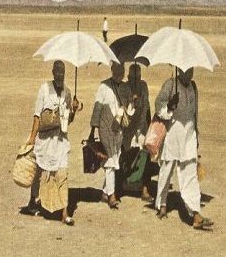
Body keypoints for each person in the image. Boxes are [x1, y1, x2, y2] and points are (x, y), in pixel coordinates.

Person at [154, 68, 212, 230]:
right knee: (166, 171)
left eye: (192, 70)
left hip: (189, 138)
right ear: (179, 69)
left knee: (190, 175)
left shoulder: (193, 86)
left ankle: (195, 214)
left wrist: (196, 136)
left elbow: (195, 114)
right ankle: (162, 204)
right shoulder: (170, 85)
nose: (189, 74)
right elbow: (158, 106)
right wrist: (170, 107)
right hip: (172, 137)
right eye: (186, 70)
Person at [25, 61, 80, 225]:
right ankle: (32, 200)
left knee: (62, 175)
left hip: (61, 141)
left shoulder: (67, 92)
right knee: (39, 173)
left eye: (62, 72)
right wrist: (32, 140)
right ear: (52, 72)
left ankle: (65, 213)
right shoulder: (44, 89)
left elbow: (68, 120)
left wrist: (74, 109)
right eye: (57, 71)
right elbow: (37, 116)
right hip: (45, 141)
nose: (60, 74)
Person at [89, 62, 133, 209]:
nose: (120, 72)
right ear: (112, 69)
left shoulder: (126, 88)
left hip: (119, 129)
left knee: (114, 158)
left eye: (122, 69)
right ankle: (112, 195)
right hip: (106, 128)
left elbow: (130, 108)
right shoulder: (104, 86)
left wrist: (132, 102)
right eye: (117, 69)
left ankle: (104, 192)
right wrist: (92, 130)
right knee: (110, 160)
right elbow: (97, 108)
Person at [121, 63, 155, 202]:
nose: (136, 80)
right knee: (127, 158)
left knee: (146, 158)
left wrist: (151, 127)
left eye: (138, 77)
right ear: (128, 77)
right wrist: (132, 102)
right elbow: (123, 112)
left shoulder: (144, 86)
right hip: (128, 130)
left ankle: (145, 190)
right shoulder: (124, 88)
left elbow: (147, 107)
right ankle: (122, 186)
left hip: (143, 127)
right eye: (133, 78)